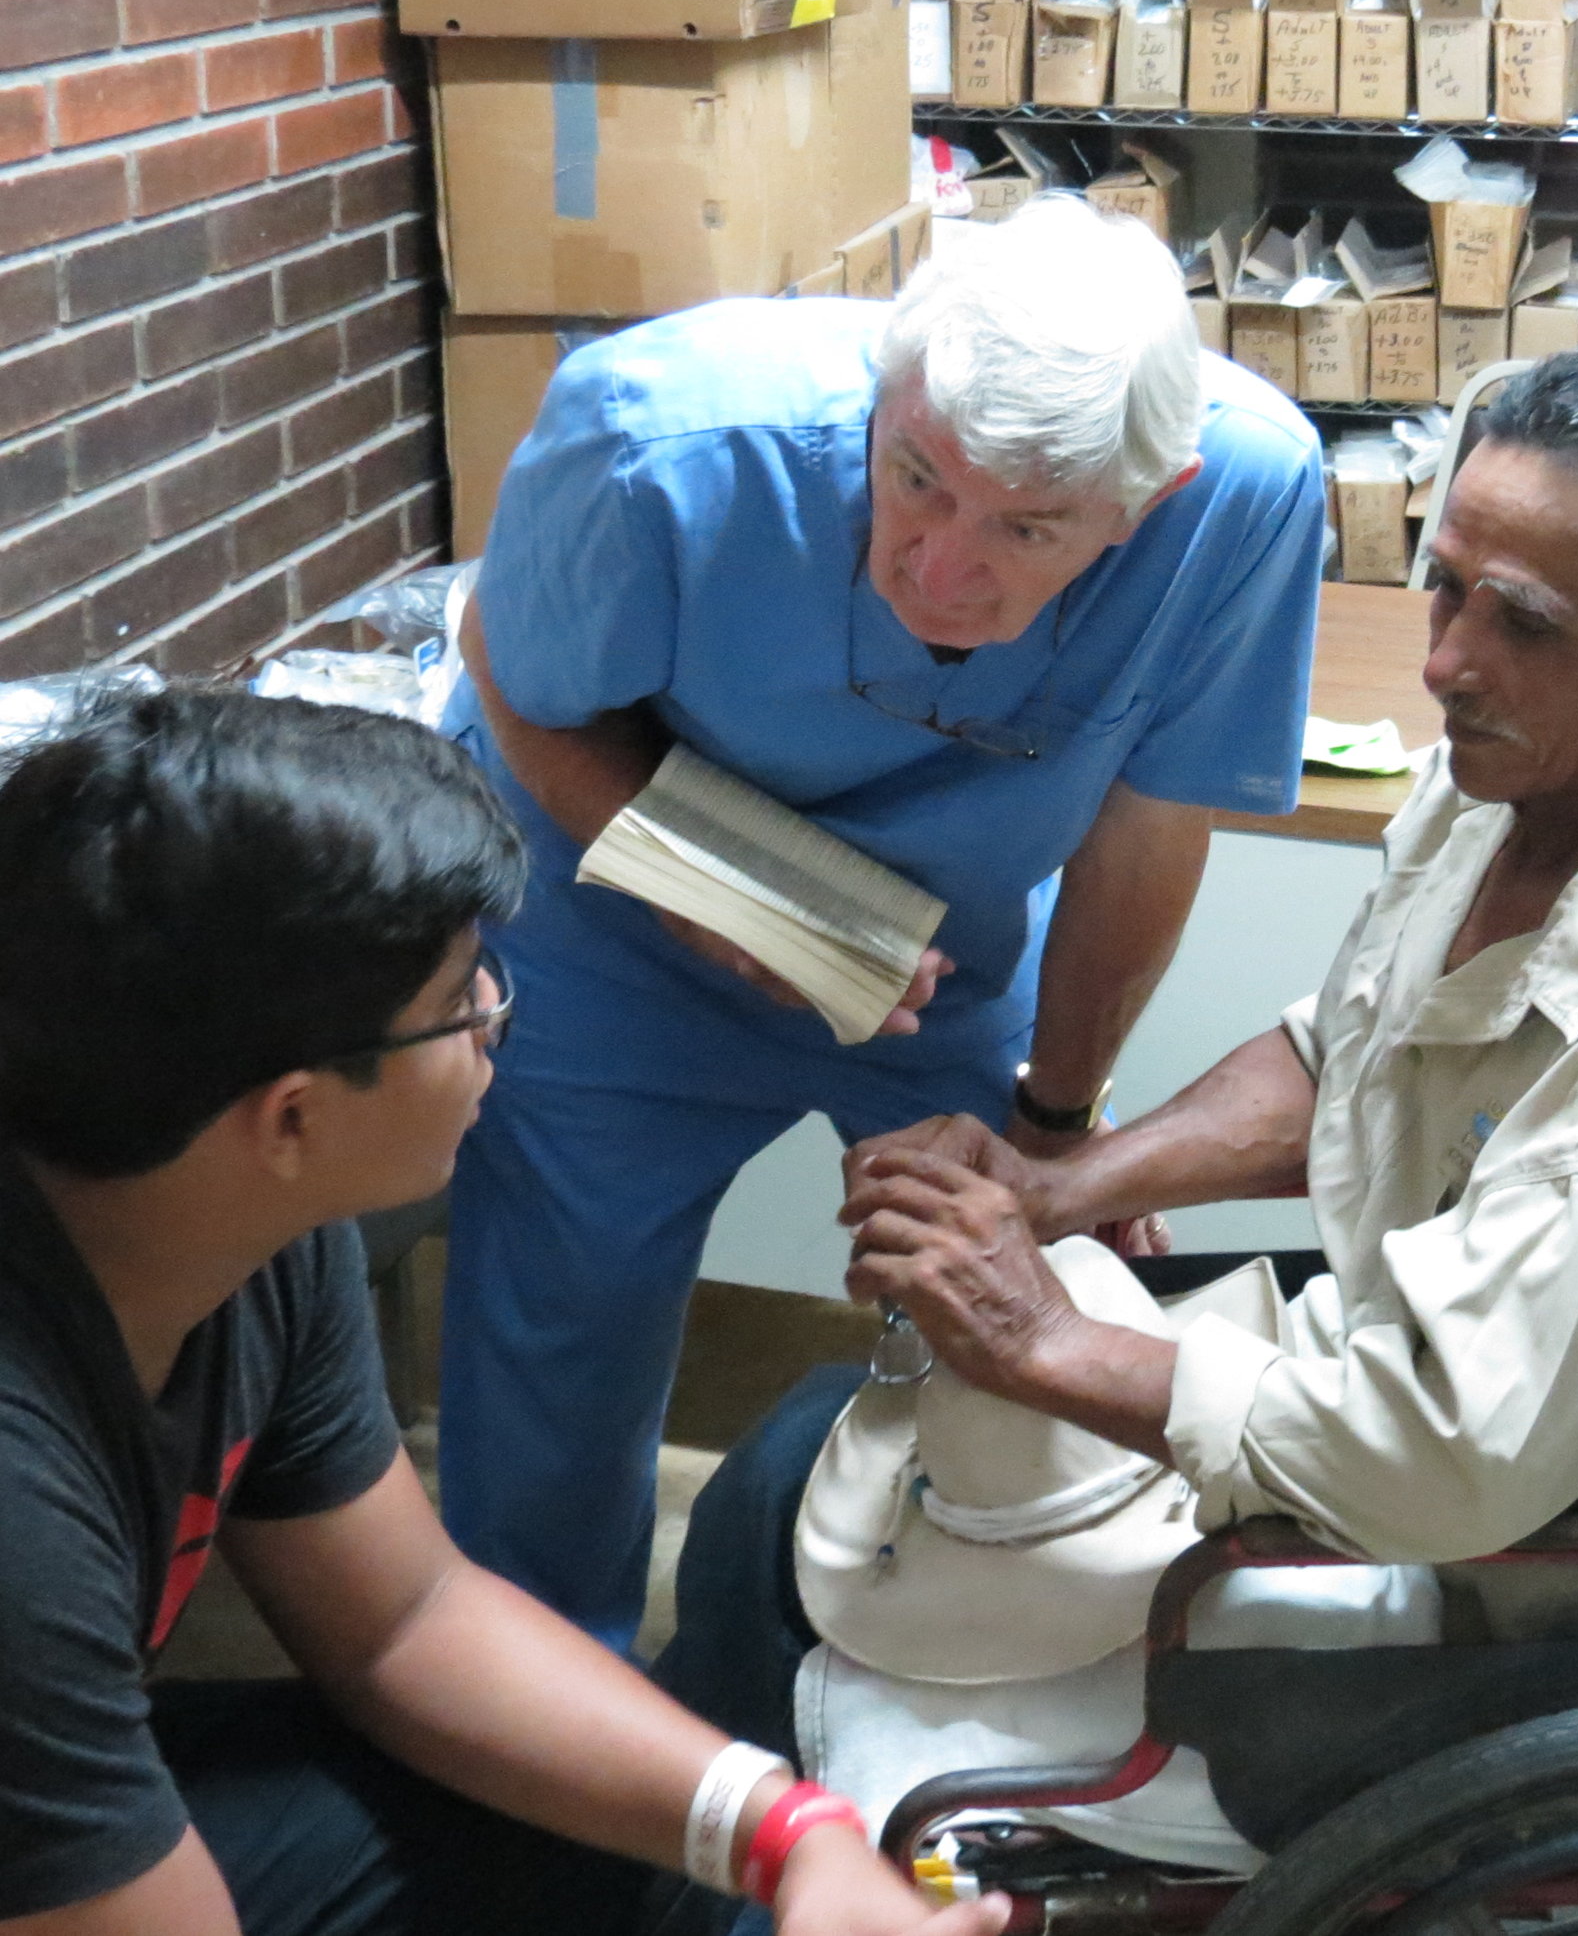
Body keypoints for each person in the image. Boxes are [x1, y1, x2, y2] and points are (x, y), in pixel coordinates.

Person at [652, 345, 1578, 1849]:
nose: (1446, 664)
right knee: (795, 1457)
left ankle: (720, 1869)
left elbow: (1448, 1457)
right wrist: (1062, 1182)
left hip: (1472, 1560)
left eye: (1526, 624)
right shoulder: (1502, 789)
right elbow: (1342, 1056)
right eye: (1447, 589)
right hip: (1388, 1393)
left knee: (788, 1564)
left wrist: (1045, 1337)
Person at [437, 199, 1327, 1648]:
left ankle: (975, 1654)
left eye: (1027, 530)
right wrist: (703, 894)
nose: (940, 571)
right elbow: (515, 670)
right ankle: (540, 1738)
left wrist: (1060, 1121)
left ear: (1149, 499)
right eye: (915, 480)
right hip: (617, 916)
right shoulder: (657, 432)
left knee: (1038, 1286)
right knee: (559, 1351)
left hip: (942, 953)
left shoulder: (1242, 494)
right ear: (885, 399)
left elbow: (1147, 826)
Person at [0, 686, 1005, 1936]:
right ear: (295, 1116)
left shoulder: (236, 1218)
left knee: (610, 1837)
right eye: (462, 1000)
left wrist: (789, 1832)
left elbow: (405, 1623)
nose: (495, 1028)